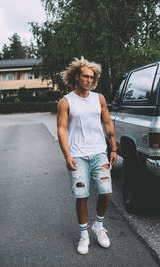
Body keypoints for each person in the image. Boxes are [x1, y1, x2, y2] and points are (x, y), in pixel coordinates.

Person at [57, 57, 118, 255]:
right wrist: (67, 155)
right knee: (81, 196)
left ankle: (98, 226)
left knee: (106, 192)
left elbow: (107, 123)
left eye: (92, 77)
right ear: (76, 76)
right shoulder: (66, 102)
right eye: (85, 76)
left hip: (99, 153)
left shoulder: (99, 98)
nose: (89, 80)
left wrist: (114, 148)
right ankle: (84, 235)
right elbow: (61, 129)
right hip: (78, 156)